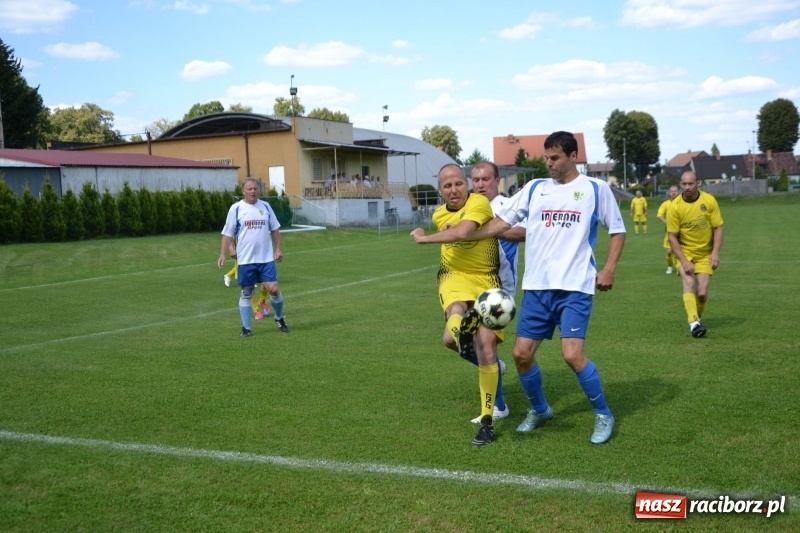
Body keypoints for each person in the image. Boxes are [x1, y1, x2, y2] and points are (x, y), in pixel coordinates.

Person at [463, 131, 626, 444]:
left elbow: (617, 231)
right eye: (546, 158)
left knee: (572, 355)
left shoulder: (595, 189)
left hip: (575, 286)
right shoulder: (535, 188)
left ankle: (603, 414)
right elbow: (503, 221)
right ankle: (540, 409)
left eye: (555, 158)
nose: (549, 164)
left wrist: (608, 268)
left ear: (572, 156)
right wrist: (468, 234)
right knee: (521, 355)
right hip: (537, 287)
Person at [410, 163, 504, 447]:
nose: (454, 190)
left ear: (467, 185)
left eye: (458, 184)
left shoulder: (479, 202)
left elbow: (462, 232)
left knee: (484, 346)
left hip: (487, 280)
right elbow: (450, 230)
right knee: (453, 324)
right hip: (452, 276)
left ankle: (487, 421)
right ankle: (467, 336)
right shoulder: (439, 214)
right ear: (440, 190)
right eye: (447, 186)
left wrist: (424, 239)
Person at [468, 161, 526, 424]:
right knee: (453, 339)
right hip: (469, 283)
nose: (480, 184)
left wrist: (490, 228)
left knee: (485, 346)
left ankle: (499, 407)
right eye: (476, 179)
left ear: (497, 180)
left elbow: (525, 232)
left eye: (485, 179)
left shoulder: (509, 205)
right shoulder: (469, 206)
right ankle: (497, 368)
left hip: (498, 291)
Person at [218, 177, 289, 336]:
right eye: (249, 189)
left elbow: (275, 228)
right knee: (247, 292)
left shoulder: (266, 206)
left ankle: (278, 317)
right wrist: (223, 253)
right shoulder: (236, 209)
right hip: (246, 260)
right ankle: (246, 328)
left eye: (255, 189)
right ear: (243, 191)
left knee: (274, 289)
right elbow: (227, 233)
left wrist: (278, 248)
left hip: (266, 259)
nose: (253, 191)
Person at [667, 171, 724, 338]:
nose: (687, 187)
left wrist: (715, 252)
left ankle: (696, 319)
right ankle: (694, 324)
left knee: (702, 292)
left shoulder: (709, 201)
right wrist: (684, 260)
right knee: (689, 282)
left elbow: (718, 227)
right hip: (685, 252)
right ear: (680, 184)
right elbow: (672, 236)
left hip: (705, 253)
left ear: (697, 183)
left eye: (690, 184)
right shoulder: (675, 206)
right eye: (684, 184)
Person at [223, 242, 271, 320]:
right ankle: (256, 310)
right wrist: (231, 248)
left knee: (267, 282)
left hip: (260, 252)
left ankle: (262, 301)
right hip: (244, 254)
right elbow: (229, 234)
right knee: (249, 285)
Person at [657, 186, 680, 274]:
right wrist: (667, 222)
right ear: (669, 193)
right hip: (670, 231)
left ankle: (680, 266)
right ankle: (670, 266)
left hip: (682, 231)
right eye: (672, 191)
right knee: (669, 252)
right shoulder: (665, 204)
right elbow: (659, 215)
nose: (673, 192)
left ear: (678, 192)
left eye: (675, 191)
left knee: (683, 250)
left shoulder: (683, 203)